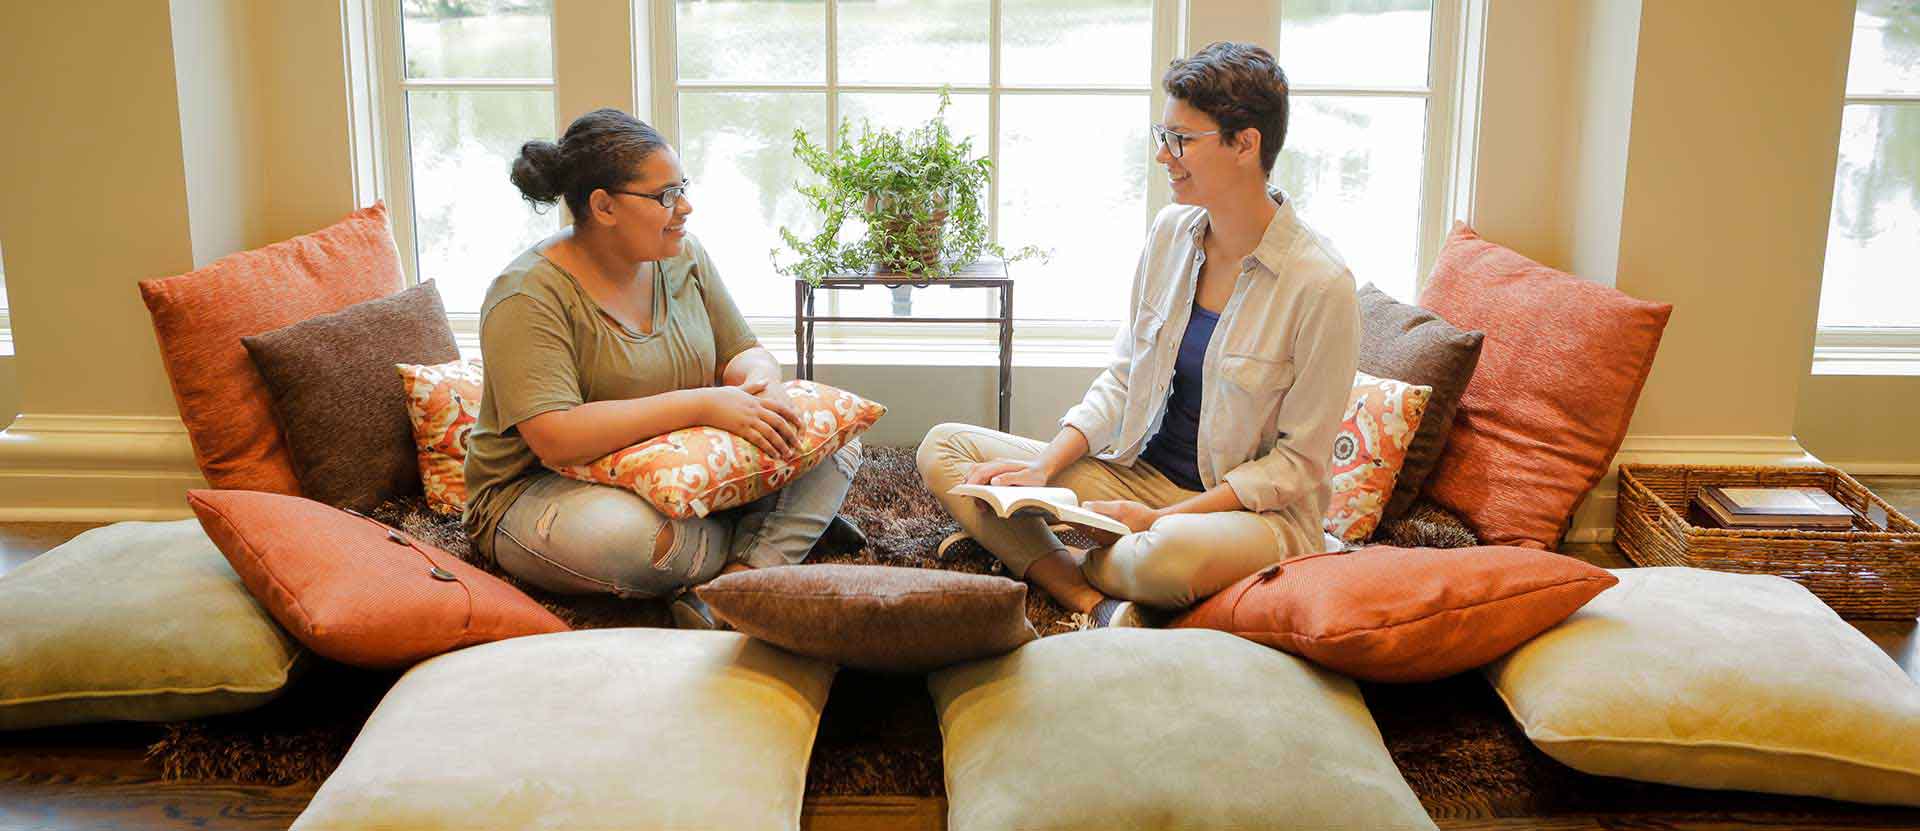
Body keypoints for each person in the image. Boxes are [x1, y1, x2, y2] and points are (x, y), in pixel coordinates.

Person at [917, 42, 1358, 627]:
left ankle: (1037, 555)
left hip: (1248, 516)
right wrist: (1043, 469)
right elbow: (1124, 380)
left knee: (1162, 559)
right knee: (945, 449)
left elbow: (1297, 466)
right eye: (1162, 134)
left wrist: (1159, 521)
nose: (1162, 155)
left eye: (1182, 140)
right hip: (1138, 475)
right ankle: (1090, 598)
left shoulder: (1322, 285)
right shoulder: (1171, 233)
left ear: (1245, 144)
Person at [463, 108, 864, 629]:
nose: (685, 207)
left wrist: (761, 383)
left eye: (683, 188)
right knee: (635, 542)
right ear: (603, 205)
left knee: (832, 440)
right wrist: (703, 403)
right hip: (537, 489)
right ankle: (779, 538)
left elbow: (742, 350)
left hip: (678, 472)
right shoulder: (526, 295)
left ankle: (735, 580)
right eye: (665, 196)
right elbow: (555, 438)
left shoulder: (682, 254)